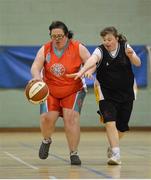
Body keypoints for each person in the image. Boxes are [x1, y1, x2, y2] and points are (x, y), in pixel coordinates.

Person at [66, 26, 141, 165]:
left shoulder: (125, 46)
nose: (107, 42)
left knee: (122, 127)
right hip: (105, 92)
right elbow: (93, 60)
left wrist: (132, 55)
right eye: (104, 39)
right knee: (109, 122)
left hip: (126, 92)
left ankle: (113, 145)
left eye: (109, 39)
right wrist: (82, 71)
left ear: (116, 39)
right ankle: (116, 154)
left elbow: (138, 63)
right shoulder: (100, 50)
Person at [30, 20, 91, 165]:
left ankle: (73, 153)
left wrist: (88, 71)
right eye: (53, 36)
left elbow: (91, 61)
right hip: (50, 90)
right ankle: (46, 140)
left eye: (60, 36)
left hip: (73, 89)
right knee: (47, 118)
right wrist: (37, 78)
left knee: (71, 119)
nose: (57, 39)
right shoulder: (45, 49)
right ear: (50, 35)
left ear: (67, 35)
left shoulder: (78, 47)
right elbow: (35, 66)